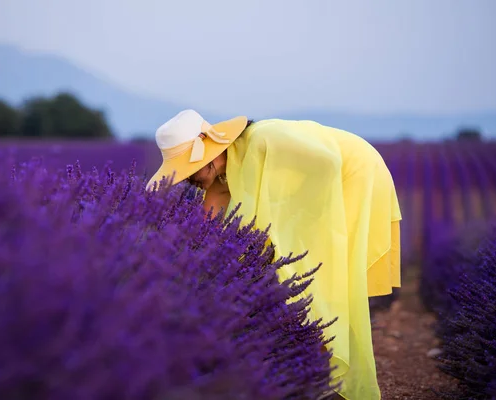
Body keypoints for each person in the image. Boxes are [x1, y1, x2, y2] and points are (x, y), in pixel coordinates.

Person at [146, 109, 402, 400]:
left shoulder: (264, 140)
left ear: (210, 154)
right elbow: (209, 233)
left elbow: (327, 162)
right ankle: (317, 368)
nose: (186, 179)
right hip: (328, 180)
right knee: (288, 265)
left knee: (313, 274)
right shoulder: (223, 173)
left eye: (188, 169)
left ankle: (327, 372)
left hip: (354, 175)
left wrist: (289, 213)